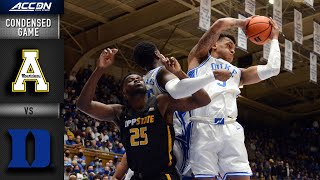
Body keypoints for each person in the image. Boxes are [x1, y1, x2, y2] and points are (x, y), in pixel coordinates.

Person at [77, 48, 211, 179]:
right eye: (130, 80)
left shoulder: (162, 103)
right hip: (138, 175)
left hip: (164, 175)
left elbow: (203, 99)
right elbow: (83, 105)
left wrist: (180, 73)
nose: (136, 79)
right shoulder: (118, 112)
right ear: (124, 91)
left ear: (146, 86)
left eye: (138, 78)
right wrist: (99, 69)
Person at [114, 41, 231, 179]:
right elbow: (177, 91)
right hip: (170, 139)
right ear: (157, 54)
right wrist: (210, 76)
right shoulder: (160, 72)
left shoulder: (140, 83)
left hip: (144, 141)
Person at [186, 16, 280, 180]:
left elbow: (273, 68)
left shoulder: (239, 73)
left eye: (234, 49)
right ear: (214, 45)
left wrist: (274, 38)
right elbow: (218, 25)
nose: (232, 50)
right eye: (228, 46)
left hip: (230, 128)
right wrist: (243, 23)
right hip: (202, 127)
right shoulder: (199, 60)